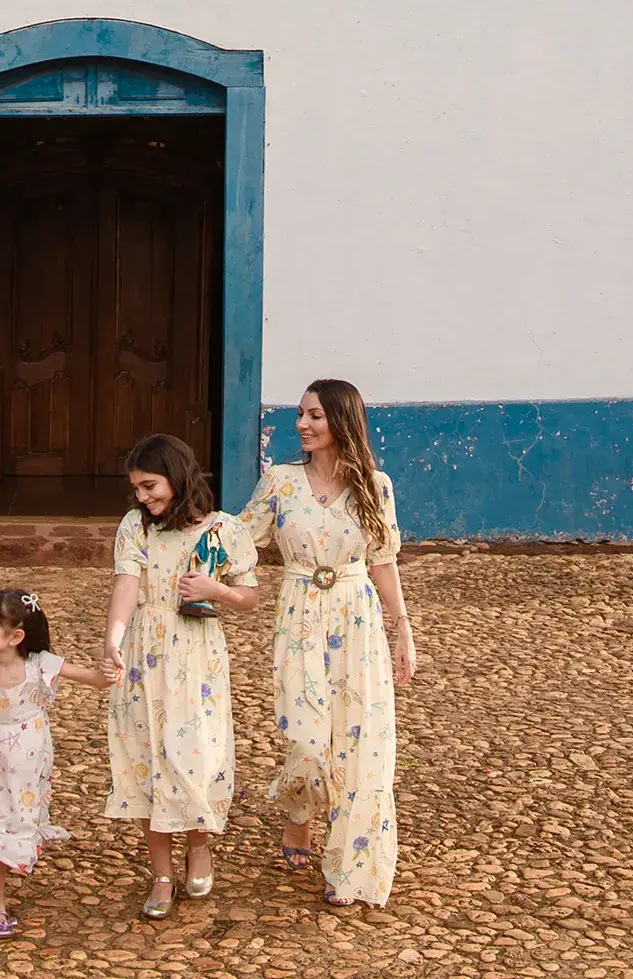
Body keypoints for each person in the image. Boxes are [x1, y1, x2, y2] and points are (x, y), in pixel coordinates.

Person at [239, 379, 418, 907]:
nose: (302, 424)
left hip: (356, 617)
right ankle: (298, 815)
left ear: (341, 421)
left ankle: (350, 865)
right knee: (306, 739)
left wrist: (402, 626)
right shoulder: (280, 482)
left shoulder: (375, 486)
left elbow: (382, 559)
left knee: (360, 744)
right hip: (298, 616)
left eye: (314, 415)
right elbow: (239, 539)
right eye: (300, 414)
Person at [99, 433, 259, 920]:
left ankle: (199, 846)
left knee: (194, 754)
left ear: (177, 475)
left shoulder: (225, 530)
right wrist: (114, 638)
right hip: (146, 651)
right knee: (146, 756)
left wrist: (217, 590)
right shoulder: (136, 527)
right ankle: (161, 873)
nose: (142, 497)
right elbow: (127, 584)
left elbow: (250, 596)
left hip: (197, 656)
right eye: (137, 490)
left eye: (150, 486)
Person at [0, 589, 114, 938]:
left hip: (30, 762)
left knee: (21, 819)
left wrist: (110, 665)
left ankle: (13, 864)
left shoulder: (39, 665)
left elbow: (96, 680)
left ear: (16, 637)